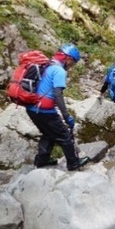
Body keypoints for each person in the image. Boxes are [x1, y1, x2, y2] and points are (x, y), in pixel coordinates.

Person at [25, 43, 90, 171]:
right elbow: (57, 94)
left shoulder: (48, 65)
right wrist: (66, 116)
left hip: (32, 108)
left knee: (48, 134)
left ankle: (41, 162)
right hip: (44, 110)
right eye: (73, 62)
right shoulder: (59, 71)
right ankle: (73, 163)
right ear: (68, 58)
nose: (72, 66)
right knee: (64, 136)